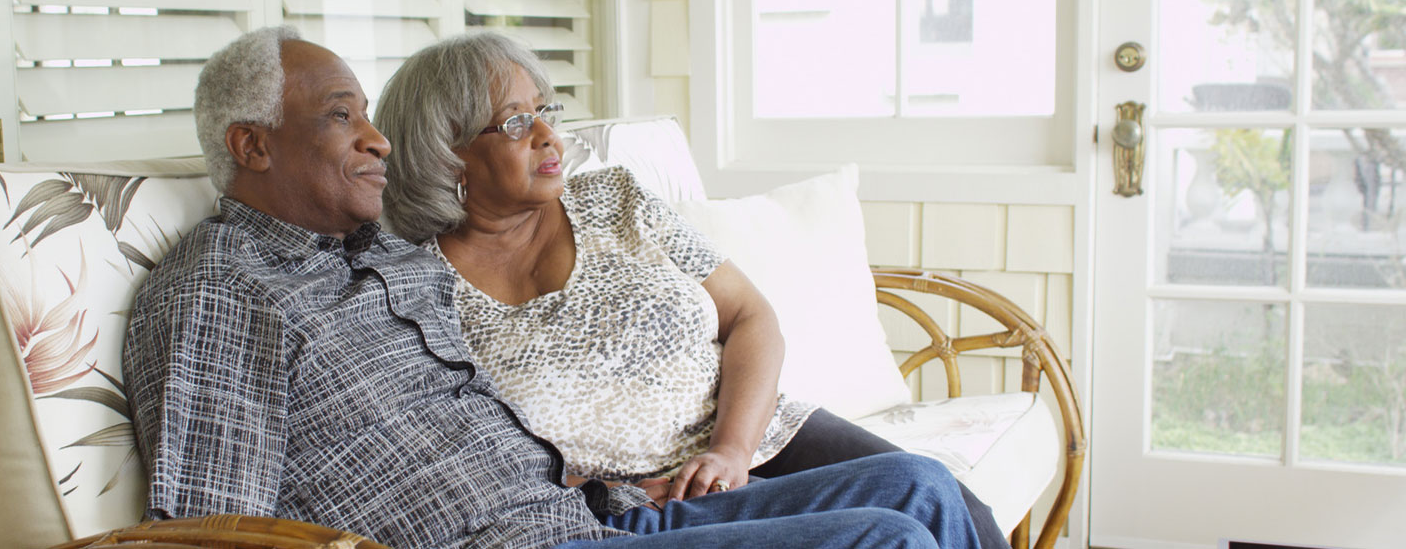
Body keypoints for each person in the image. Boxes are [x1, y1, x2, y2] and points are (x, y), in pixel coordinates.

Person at [124, 26, 985, 549]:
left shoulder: (376, 256)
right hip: (507, 544)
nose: (377, 141)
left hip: (594, 514)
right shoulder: (220, 288)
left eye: (372, 118)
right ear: (252, 147)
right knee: (888, 539)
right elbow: (213, 526)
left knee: (921, 489)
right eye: (343, 114)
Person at [374, 32, 1010, 549]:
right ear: (447, 153)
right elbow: (466, 443)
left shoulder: (613, 198)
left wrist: (732, 449)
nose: (547, 135)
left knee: (945, 500)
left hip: (757, 434)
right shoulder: (420, 290)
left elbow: (751, 316)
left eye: (547, 110)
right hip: (643, 505)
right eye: (516, 122)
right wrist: (604, 491)